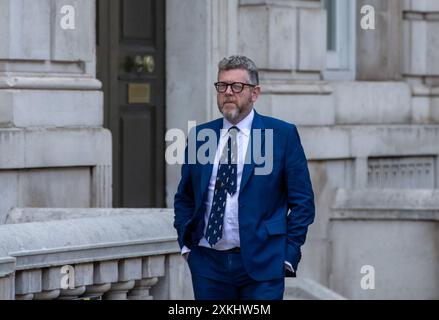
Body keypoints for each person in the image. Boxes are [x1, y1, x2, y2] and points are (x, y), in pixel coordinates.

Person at [174, 55, 315, 300]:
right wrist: (187, 247)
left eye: (237, 86)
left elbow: (303, 202)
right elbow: (185, 197)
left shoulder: (280, 135)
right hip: (208, 265)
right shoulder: (200, 136)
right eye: (222, 86)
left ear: (255, 93)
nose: (228, 92)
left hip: (263, 264)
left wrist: (288, 255)